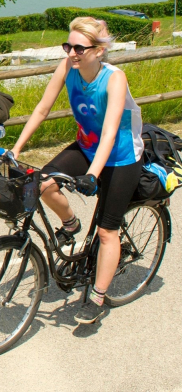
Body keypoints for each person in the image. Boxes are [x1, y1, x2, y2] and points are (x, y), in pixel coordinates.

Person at [11, 17, 143, 325]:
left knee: (108, 232)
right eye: (68, 46)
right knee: (43, 183)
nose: (72, 53)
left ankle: (97, 298)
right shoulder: (67, 68)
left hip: (120, 156)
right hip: (86, 146)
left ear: (98, 51)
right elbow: (42, 108)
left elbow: (111, 132)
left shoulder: (114, 78)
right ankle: (70, 224)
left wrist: (92, 175)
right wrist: (16, 149)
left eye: (79, 48)